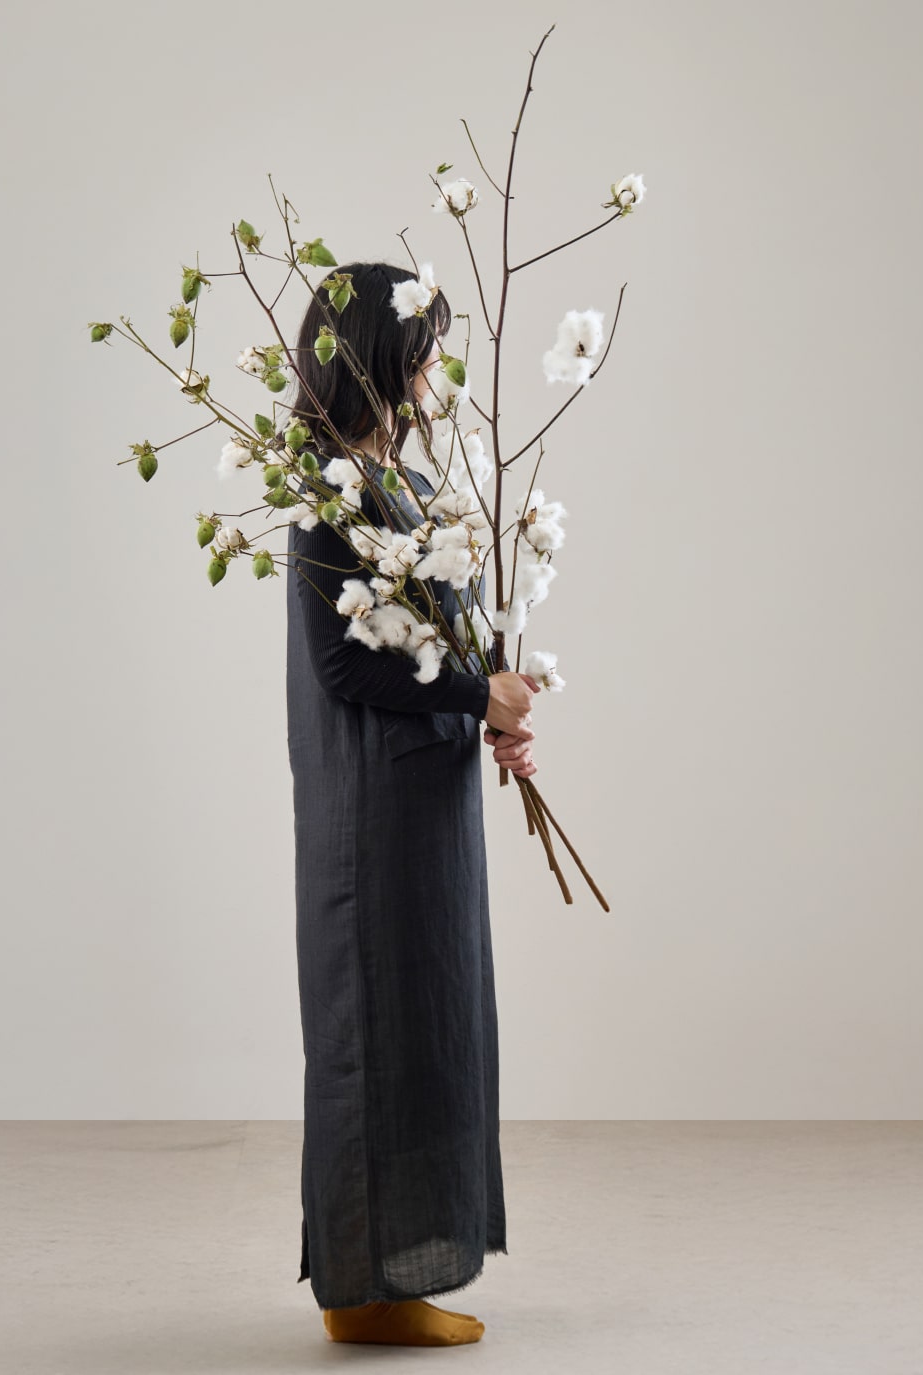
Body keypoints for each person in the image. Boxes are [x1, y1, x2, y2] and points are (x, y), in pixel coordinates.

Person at [283, 261, 539, 1347]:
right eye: (423, 345)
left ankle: (398, 1273)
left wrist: (493, 705)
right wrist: (478, 693)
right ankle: (359, 1291)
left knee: (432, 1026)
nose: (437, 365)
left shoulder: (395, 477)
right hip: (374, 814)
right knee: (375, 1028)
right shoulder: (327, 489)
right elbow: (345, 665)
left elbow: (432, 644)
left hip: (427, 805)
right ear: (381, 356)